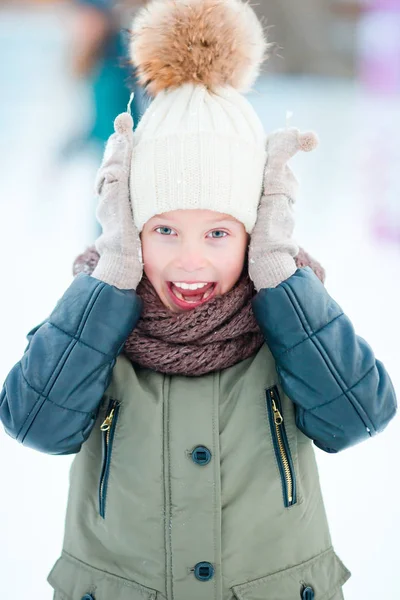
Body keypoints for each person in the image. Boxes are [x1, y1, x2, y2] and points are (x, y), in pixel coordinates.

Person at [0, 1, 396, 599]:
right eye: (163, 230)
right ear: (129, 228)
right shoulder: (101, 320)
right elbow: (37, 423)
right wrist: (108, 280)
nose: (189, 260)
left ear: (255, 229)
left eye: (218, 233)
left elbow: (357, 416)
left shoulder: (286, 321)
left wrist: (281, 277)